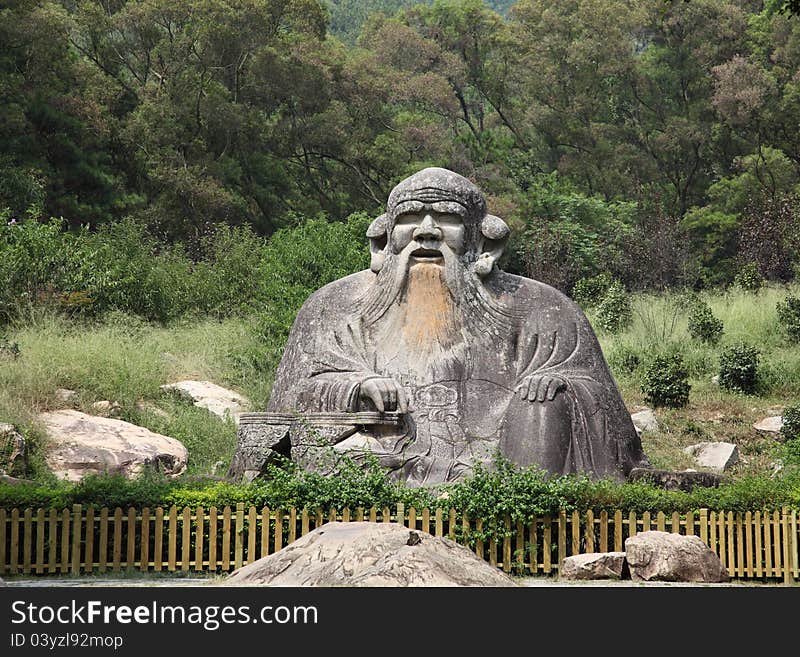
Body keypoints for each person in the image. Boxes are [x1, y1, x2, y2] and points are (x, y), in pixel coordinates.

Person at [268, 167, 647, 485]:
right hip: (380, 463)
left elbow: (601, 403)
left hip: (488, 473)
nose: (426, 231)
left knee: (546, 401)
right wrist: (357, 386)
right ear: (383, 240)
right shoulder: (333, 306)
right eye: (409, 218)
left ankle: (526, 515)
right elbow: (290, 399)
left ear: (483, 241)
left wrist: (557, 385)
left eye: (447, 217)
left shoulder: (542, 308)